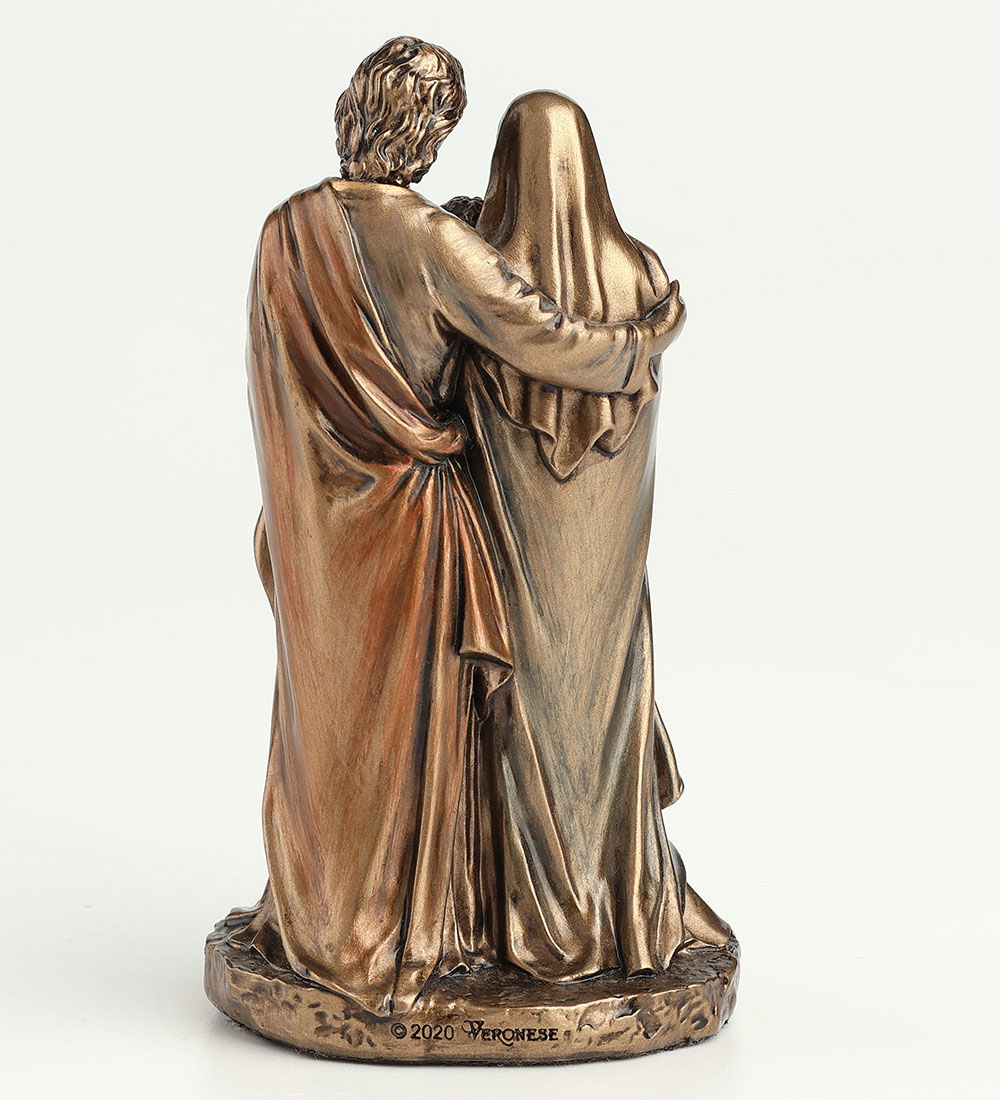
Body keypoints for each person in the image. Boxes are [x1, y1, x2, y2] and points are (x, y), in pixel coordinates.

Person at [221, 40, 686, 1017]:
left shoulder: (284, 230)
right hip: (407, 527)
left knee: (325, 721)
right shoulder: (432, 242)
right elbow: (549, 338)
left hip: (309, 523)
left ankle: (317, 919)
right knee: (405, 733)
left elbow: (273, 379)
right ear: (426, 133)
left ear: (352, 110)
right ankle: (400, 931)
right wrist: (647, 338)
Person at [455, 91, 731, 983]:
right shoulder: (643, 274)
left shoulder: (484, 277)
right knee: (608, 693)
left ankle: (534, 917)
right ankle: (622, 900)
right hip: (610, 548)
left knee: (523, 701)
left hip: (519, 546)